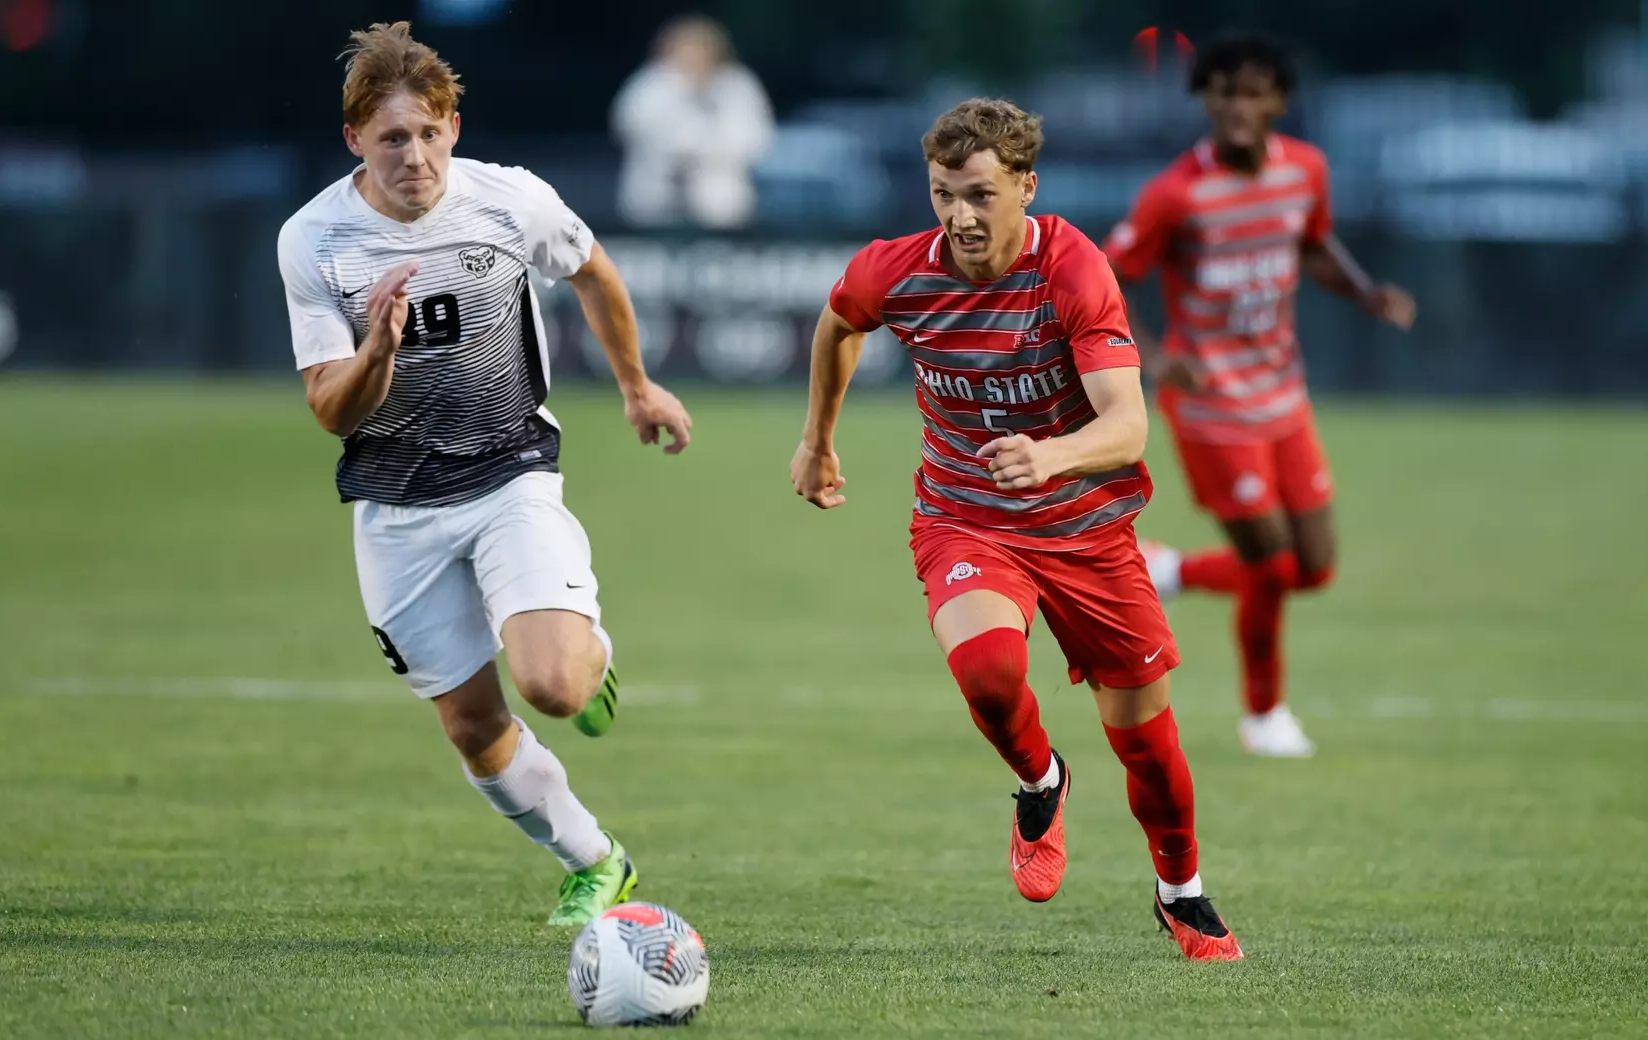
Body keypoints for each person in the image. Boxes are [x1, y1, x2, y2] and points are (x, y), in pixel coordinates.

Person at [791, 98, 1242, 962]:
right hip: (965, 518)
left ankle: (1180, 890)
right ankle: (1041, 779)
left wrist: (1054, 456)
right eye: (942, 194)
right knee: (990, 672)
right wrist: (818, 441)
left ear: (1025, 187)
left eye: (980, 195)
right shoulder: (898, 271)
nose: (960, 216)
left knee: (1148, 742)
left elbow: (1128, 426)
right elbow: (840, 321)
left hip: (1087, 531)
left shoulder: (1073, 271)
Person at [275, 22, 692, 926]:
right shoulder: (313, 241)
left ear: (453, 127)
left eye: (428, 133)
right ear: (355, 141)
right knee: (471, 726)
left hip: (510, 476)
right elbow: (330, 410)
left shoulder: (511, 202)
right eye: (392, 139)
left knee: (556, 686)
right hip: (394, 506)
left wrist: (636, 386)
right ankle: (596, 859)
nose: (414, 156)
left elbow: (595, 273)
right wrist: (377, 350)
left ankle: (592, 651)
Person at [1103, 36, 1416, 757]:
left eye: (1254, 92)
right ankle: (1263, 715)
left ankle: (1171, 570)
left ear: (1278, 101)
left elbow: (1310, 242)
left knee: (1315, 565)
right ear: (1205, 101)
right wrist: (1153, 357)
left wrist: (1367, 292)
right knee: (1271, 567)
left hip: (1283, 395)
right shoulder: (1175, 193)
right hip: (1213, 408)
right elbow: (1108, 272)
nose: (1239, 107)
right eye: (1224, 93)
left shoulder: (1305, 170)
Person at [610, 14, 774, 230]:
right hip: (655, 201)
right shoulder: (652, 84)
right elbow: (630, 126)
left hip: (721, 204)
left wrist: (701, 149)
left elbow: (754, 140)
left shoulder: (738, 86)